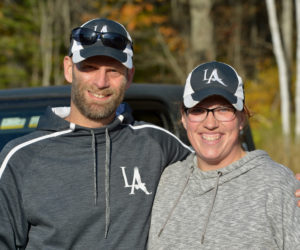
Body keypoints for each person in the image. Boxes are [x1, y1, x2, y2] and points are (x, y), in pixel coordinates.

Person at [0, 18, 192, 249]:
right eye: (89, 68)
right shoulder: (21, 158)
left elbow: (223, 173)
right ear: (69, 69)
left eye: (113, 70)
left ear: (129, 77)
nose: (101, 82)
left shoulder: (156, 143)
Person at [148, 61, 300, 249]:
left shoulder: (277, 185)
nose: (210, 123)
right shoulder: (167, 180)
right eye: (198, 110)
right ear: (184, 117)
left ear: (242, 117)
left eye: (223, 110)